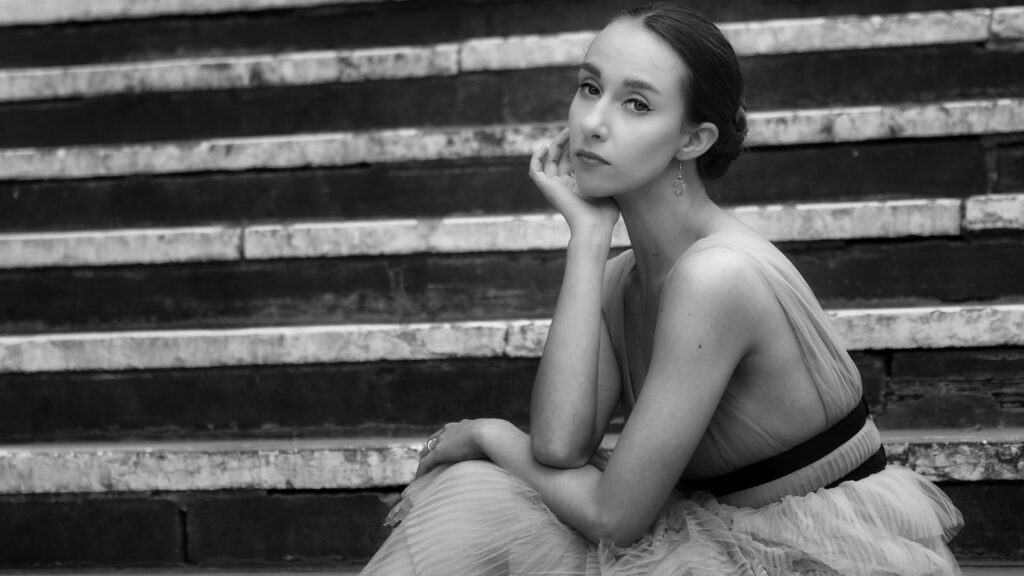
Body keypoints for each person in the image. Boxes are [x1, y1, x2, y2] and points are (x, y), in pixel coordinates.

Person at [360, 3, 963, 574]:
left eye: (637, 104)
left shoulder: (715, 275)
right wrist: (588, 243)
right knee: (485, 494)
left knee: (483, 481)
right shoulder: (625, 275)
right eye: (590, 88)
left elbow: (613, 518)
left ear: (692, 140)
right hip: (720, 531)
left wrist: (483, 433)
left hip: (818, 553)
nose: (593, 123)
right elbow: (559, 446)